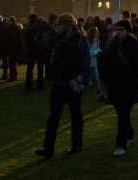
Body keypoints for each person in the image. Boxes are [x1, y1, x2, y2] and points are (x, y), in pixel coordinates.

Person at [35, 13, 90, 160]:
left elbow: (86, 63)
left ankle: (76, 144)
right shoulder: (58, 39)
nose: (56, 27)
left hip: (72, 83)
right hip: (59, 82)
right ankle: (48, 148)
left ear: (67, 25)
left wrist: (80, 82)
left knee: (75, 114)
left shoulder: (81, 40)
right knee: (54, 116)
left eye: (59, 24)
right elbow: (52, 57)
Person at [102, 19, 138, 157]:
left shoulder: (135, 44)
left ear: (128, 31)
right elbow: (105, 62)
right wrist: (106, 79)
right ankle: (129, 134)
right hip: (115, 84)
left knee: (123, 113)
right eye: (117, 30)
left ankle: (121, 144)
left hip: (129, 85)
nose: (118, 32)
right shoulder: (111, 44)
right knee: (122, 113)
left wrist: (134, 77)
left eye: (121, 30)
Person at [24, 15, 50, 91]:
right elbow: (49, 28)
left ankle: (28, 85)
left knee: (30, 69)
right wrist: (44, 21)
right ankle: (40, 85)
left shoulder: (28, 28)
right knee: (40, 69)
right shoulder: (41, 27)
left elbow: (25, 40)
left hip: (31, 50)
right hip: (40, 50)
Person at [87, 27, 106, 101]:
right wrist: (96, 53)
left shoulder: (97, 40)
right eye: (96, 32)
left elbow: (97, 48)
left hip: (94, 63)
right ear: (93, 33)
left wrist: (99, 51)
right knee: (89, 80)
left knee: (96, 79)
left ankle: (100, 94)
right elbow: (88, 52)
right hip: (88, 63)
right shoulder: (88, 41)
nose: (98, 33)